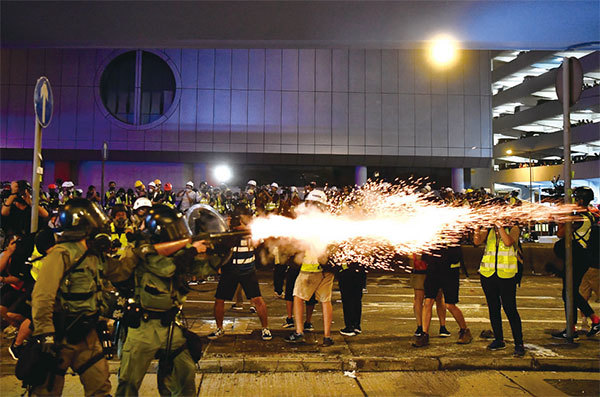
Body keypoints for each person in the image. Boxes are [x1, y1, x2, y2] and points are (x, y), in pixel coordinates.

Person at [103, 205, 211, 396]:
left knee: (185, 371)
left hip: (169, 325)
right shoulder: (143, 250)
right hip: (143, 328)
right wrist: (191, 249)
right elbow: (166, 268)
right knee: (128, 385)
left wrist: (220, 251)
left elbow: (200, 270)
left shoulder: (175, 252)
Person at [30, 198, 113, 395]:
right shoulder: (61, 254)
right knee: (46, 391)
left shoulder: (93, 255)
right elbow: (43, 295)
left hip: (87, 335)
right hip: (60, 336)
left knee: (100, 387)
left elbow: (120, 271)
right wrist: (45, 333)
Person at [207, 203, 272, 341]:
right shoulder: (228, 230)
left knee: (257, 299)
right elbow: (220, 243)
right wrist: (229, 227)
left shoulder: (253, 230)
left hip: (247, 268)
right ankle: (219, 329)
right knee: (219, 299)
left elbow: (256, 244)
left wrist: (245, 230)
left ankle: (265, 328)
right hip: (229, 269)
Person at [285, 190, 335, 346]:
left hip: (310, 268)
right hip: (327, 269)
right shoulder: (329, 220)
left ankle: (299, 332)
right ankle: (327, 337)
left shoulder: (308, 221)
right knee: (326, 301)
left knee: (298, 297)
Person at [552, 186, 600, 338]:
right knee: (570, 292)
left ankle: (577, 326)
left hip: (578, 259)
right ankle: (588, 322)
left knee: (569, 293)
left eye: (575, 198)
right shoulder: (589, 215)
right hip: (582, 258)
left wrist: (561, 219)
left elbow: (561, 233)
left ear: (579, 200)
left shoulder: (580, 218)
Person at [474, 218, 525, 357]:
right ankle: (498, 339)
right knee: (493, 308)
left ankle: (519, 343)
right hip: (488, 274)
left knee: (510, 309)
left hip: (507, 275)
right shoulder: (489, 229)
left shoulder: (514, 228)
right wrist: (477, 228)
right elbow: (477, 242)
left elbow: (508, 242)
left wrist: (500, 226)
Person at [413, 245, 473, 347]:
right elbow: (425, 254)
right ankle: (424, 334)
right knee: (428, 301)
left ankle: (465, 331)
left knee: (450, 304)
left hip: (449, 273)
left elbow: (456, 256)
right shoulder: (432, 236)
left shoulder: (452, 237)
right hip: (433, 271)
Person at [409, 253, 448, 339]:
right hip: (424, 267)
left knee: (437, 297)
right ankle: (423, 327)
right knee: (422, 298)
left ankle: (424, 327)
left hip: (431, 268)